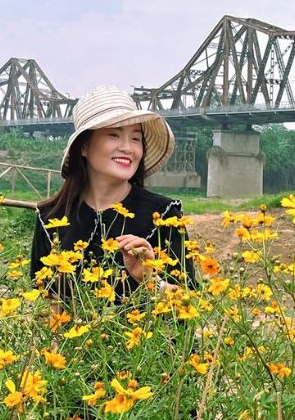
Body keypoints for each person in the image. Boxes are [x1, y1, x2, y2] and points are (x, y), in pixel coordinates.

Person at [30, 86, 195, 299]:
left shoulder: (163, 215)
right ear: (83, 147)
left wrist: (150, 280)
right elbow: (46, 304)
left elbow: (189, 310)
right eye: (114, 135)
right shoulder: (50, 218)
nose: (127, 147)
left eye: (135, 138)